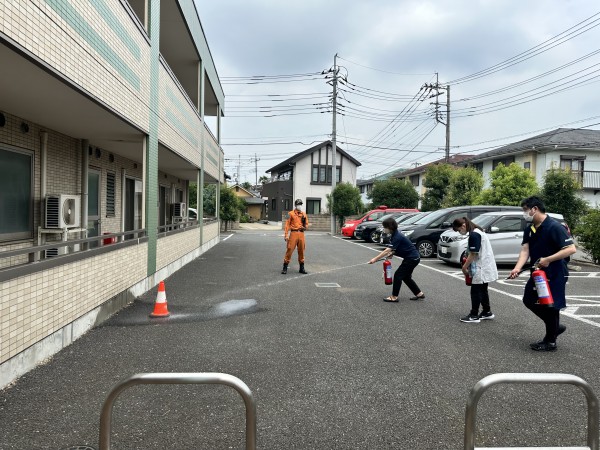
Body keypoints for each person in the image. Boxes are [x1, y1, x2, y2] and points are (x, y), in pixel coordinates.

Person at [508, 196, 576, 352]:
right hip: (538, 273)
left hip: (555, 272)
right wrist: (517, 268)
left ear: (535, 209)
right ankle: (555, 327)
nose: (524, 214)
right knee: (529, 299)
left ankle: (550, 341)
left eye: (525, 210)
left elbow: (571, 249)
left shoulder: (554, 226)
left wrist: (548, 259)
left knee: (551, 306)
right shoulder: (530, 229)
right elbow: (525, 250)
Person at [452, 217, 498, 323]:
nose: (459, 232)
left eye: (459, 230)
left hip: (480, 266)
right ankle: (486, 311)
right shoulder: (478, 231)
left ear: (463, 225)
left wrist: (464, 267)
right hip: (485, 264)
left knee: (475, 291)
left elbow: (473, 253)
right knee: (483, 289)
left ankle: (474, 315)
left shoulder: (474, 234)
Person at [368, 217, 425, 302]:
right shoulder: (394, 234)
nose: (384, 229)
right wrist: (392, 253)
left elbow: (387, 250)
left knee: (398, 275)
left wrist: (375, 259)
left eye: (385, 227)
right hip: (413, 258)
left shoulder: (397, 236)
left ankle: (394, 297)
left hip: (412, 259)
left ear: (390, 227)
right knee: (406, 277)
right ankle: (419, 294)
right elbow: (397, 248)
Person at [282, 199, 309, 274]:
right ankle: (285, 267)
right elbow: (287, 224)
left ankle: (302, 268)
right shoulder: (290, 213)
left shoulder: (304, 214)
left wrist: (305, 227)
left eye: (300, 204)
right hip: (293, 233)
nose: (300, 206)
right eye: (298, 204)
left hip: (301, 233)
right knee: (289, 249)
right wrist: (286, 235)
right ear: (295, 205)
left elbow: (307, 224)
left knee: (301, 250)